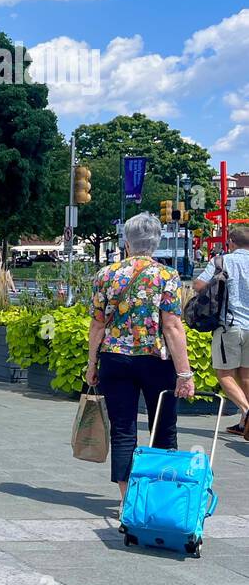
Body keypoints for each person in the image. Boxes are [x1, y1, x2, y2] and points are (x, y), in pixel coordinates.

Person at [84, 212, 196, 500]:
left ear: (127, 242)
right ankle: (158, 497)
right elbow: (172, 326)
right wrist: (184, 373)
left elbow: (97, 325)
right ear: (155, 243)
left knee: (123, 429)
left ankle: (128, 500)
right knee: (163, 427)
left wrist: (91, 363)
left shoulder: (105, 275)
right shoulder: (167, 276)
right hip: (156, 360)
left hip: (114, 358)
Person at [193, 224, 249, 436]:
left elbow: (199, 285)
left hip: (229, 325)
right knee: (246, 374)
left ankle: (247, 411)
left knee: (224, 373)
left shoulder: (222, 261)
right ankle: (244, 423)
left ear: (231, 243)